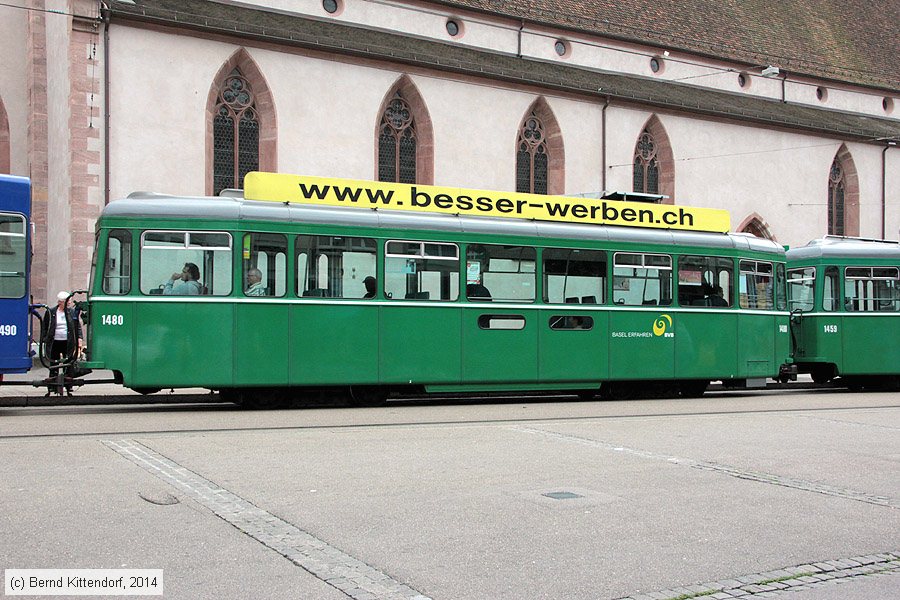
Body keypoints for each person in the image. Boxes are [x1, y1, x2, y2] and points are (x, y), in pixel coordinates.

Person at [42, 291, 84, 396]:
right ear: (61, 302)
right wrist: (44, 339)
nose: (69, 303)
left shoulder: (71, 312)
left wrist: (79, 338)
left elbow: (77, 326)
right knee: (53, 362)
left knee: (69, 362)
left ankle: (68, 385)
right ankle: (52, 385)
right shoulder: (51, 312)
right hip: (54, 341)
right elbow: (45, 326)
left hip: (68, 341)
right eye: (67, 301)